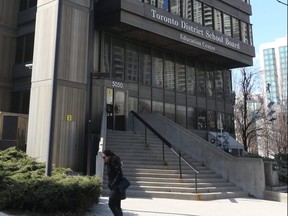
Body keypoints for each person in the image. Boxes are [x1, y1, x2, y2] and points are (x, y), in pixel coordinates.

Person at [102, 149, 124, 216]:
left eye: (104, 157)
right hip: (115, 186)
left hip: (116, 186)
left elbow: (119, 173)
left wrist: (113, 183)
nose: (103, 158)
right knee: (117, 205)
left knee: (111, 203)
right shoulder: (111, 161)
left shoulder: (113, 161)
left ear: (108, 156)